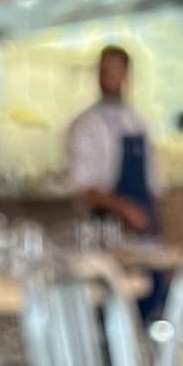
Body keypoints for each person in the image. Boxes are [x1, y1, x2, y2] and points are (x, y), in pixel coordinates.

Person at [66, 46, 156, 236]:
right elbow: (85, 189)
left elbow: (154, 183)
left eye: (116, 70)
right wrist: (126, 210)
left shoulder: (137, 121)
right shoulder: (86, 124)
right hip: (104, 226)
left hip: (144, 224)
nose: (109, 76)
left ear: (126, 74)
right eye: (104, 70)